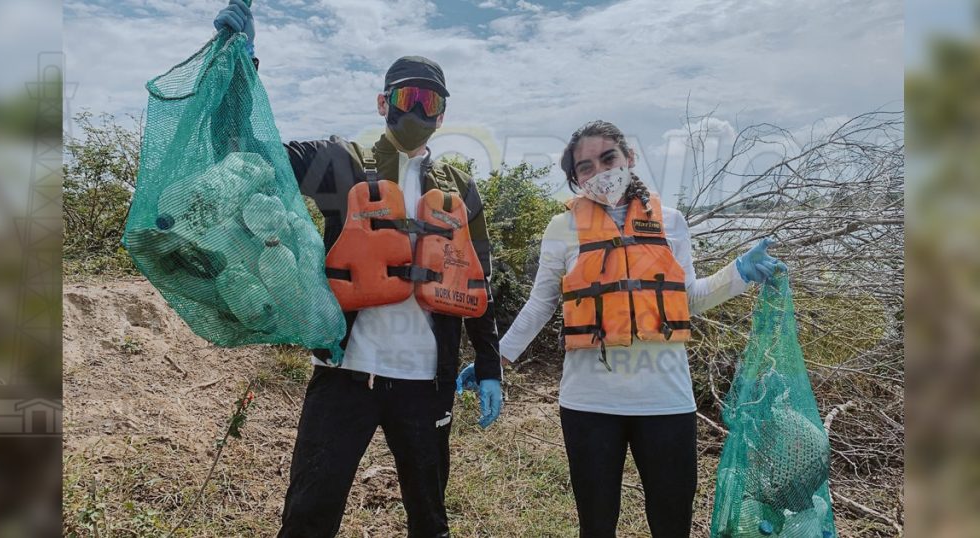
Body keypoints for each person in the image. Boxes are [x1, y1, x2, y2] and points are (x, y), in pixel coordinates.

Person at [212, 2, 503, 537]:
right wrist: (240, 67)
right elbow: (247, 148)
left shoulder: (459, 187)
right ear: (382, 103)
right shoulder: (341, 162)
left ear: (442, 113)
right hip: (347, 374)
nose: (415, 109)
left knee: (430, 519)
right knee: (308, 516)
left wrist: (489, 362)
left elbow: (478, 276)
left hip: (426, 381)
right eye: (404, 96)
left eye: (428, 99)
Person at [460, 119, 785, 538]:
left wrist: (739, 273)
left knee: (672, 525)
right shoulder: (562, 230)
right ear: (575, 179)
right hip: (589, 403)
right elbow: (541, 303)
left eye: (608, 158)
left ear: (629, 159)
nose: (599, 172)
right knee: (596, 526)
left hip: (666, 402)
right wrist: (496, 361)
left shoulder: (672, 221)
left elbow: (688, 297)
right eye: (585, 167)